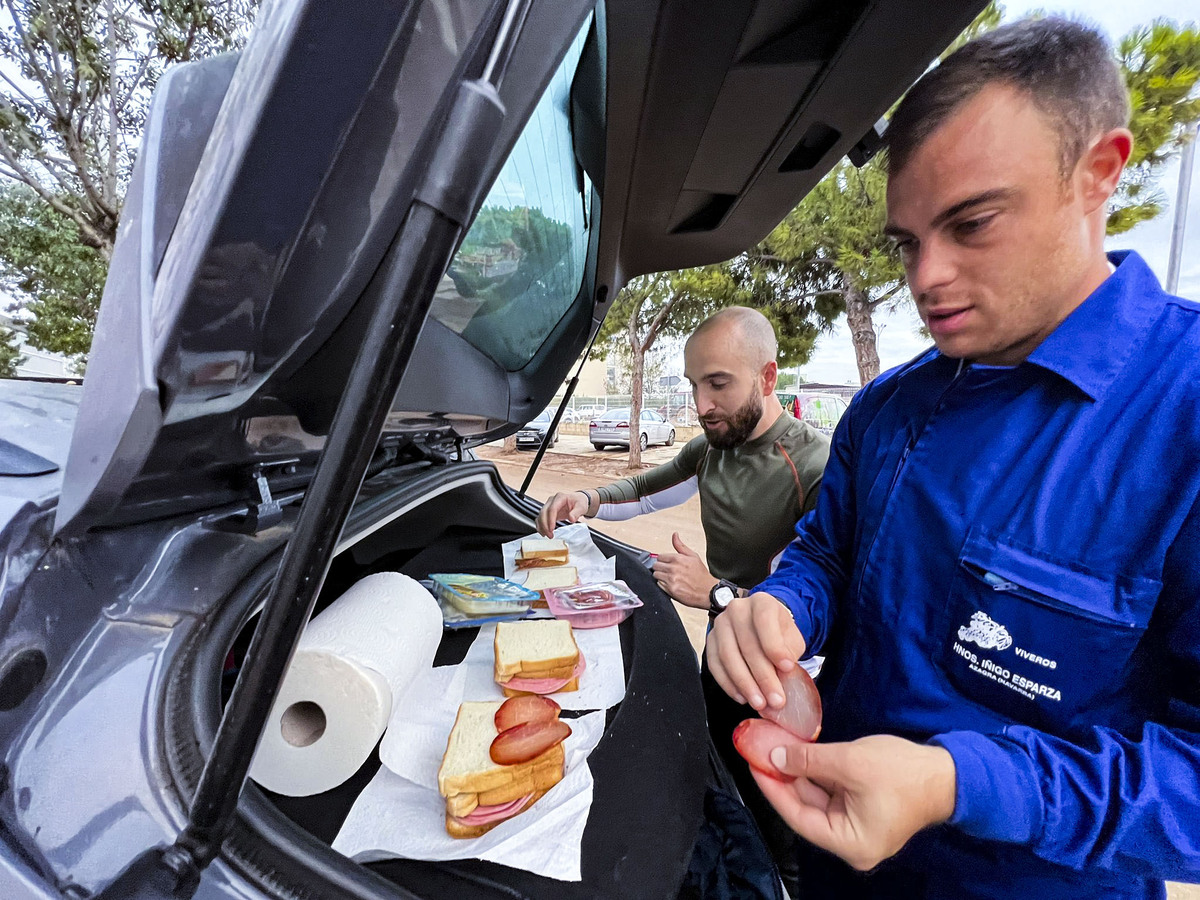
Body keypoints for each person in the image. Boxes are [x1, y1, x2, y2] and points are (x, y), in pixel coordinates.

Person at [705, 17, 1200, 899]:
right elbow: (827, 552)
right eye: (906, 241)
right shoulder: (888, 406)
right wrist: (779, 611)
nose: (925, 277)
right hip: (831, 866)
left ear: (1099, 174)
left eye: (970, 224)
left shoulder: (1184, 417)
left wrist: (960, 785)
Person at [536, 306, 830, 888]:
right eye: (694, 385)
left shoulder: (814, 465)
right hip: (721, 654)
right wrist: (586, 500)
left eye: (718, 383)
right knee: (715, 785)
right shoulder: (712, 446)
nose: (701, 405)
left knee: (785, 830)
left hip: (789, 682)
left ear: (768, 378)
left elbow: (816, 597)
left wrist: (714, 592)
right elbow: (648, 489)